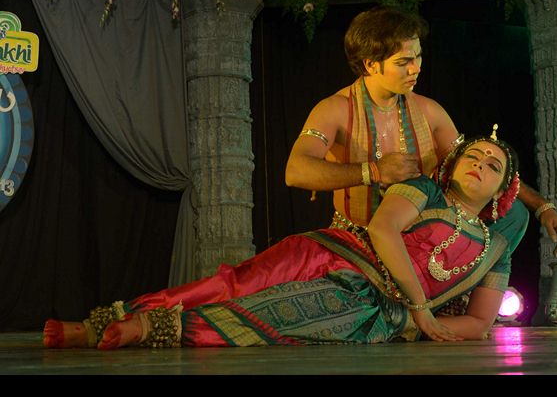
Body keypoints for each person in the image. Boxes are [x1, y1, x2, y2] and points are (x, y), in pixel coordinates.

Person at [44, 130, 523, 348]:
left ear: (504, 189)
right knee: (233, 282)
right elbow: (382, 229)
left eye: (492, 165)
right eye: (472, 156)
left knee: (264, 318)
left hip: (373, 306)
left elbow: (481, 322)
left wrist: (423, 326)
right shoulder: (423, 189)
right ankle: (101, 323)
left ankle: (145, 330)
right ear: (452, 164)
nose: (478, 165)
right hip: (336, 251)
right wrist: (422, 307)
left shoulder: (496, 249)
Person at [285, 6, 557, 257]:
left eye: (418, 57)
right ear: (370, 64)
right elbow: (296, 171)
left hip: (420, 242)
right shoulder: (335, 109)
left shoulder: (429, 111)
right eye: (403, 62)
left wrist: (542, 206)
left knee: (515, 213)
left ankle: (470, 283)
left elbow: (476, 164)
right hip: (357, 242)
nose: (416, 69)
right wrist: (374, 171)